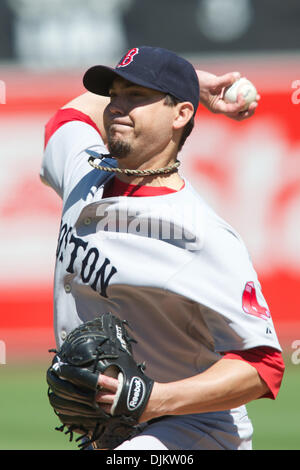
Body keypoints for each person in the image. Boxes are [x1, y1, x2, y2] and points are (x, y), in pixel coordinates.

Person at [41, 46, 284, 450]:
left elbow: (264, 366)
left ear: (181, 115)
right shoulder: (82, 170)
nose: (116, 106)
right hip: (111, 433)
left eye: (136, 96)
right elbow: (66, 118)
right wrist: (196, 79)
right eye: (114, 94)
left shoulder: (200, 233)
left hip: (193, 431)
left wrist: (152, 400)